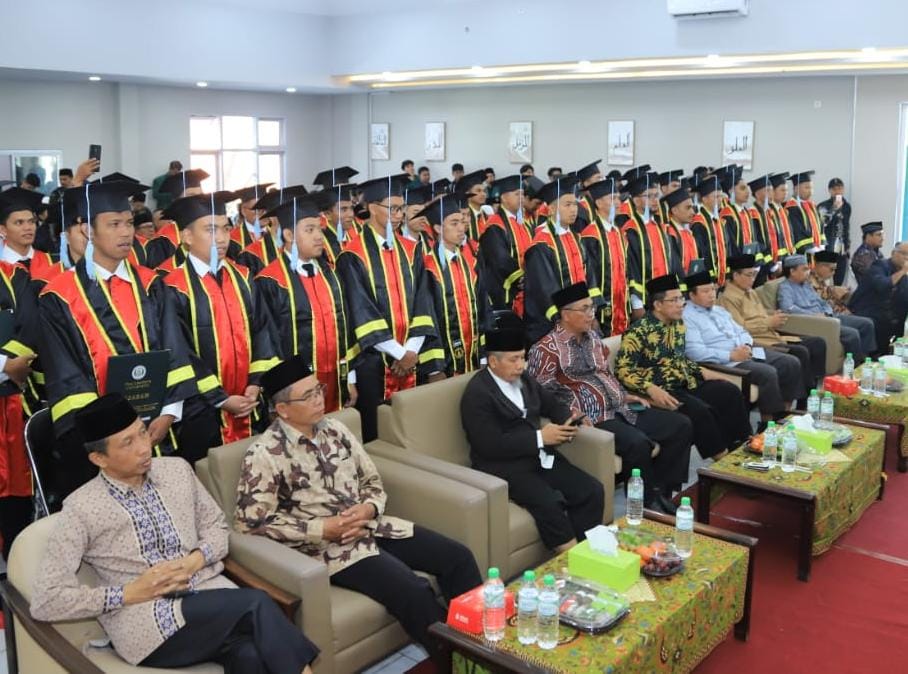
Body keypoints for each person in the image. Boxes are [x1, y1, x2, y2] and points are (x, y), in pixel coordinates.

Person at [31, 393, 318, 673]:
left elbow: (217, 527)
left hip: (208, 596)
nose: (144, 448)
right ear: (99, 459)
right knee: (256, 602)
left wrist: (195, 559)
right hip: (149, 623)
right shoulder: (81, 508)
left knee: (250, 655)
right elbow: (47, 601)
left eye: (142, 433)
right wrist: (127, 593)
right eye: (127, 443)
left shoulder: (177, 470)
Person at [235, 357, 481, 665]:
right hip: (332, 549)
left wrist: (369, 507)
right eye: (308, 396)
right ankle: (462, 666)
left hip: (374, 526)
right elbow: (250, 524)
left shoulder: (336, 429)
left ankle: (486, 649)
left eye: (318, 390)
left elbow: (371, 480)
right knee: (414, 593)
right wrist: (321, 529)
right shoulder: (263, 454)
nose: (318, 400)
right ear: (282, 409)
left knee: (457, 557)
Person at [38, 181, 198, 500]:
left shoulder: (153, 284)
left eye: (128, 222)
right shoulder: (58, 296)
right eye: (114, 224)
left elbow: (175, 352)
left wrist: (168, 413)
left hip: (159, 428)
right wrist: (116, 436)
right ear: (87, 230)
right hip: (101, 443)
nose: (127, 233)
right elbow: (66, 378)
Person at [528, 282, 691, 514]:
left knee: (680, 425)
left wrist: (625, 396)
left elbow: (604, 374)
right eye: (584, 309)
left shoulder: (593, 338)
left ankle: (660, 492)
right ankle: (644, 505)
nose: (591, 314)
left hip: (620, 408)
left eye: (591, 308)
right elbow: (542, 393)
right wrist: (571, 412)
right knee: (637, 443)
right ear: (565, 314)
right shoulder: (545, 349)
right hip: (593, 417)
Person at [461, 325, 605, 553]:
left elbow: (551, 404)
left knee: (591, 490)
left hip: (538, 456)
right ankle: (571, 563)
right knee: (549, 504)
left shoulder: (525, 379)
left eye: (522, 357)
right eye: (513, 359)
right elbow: (489, 445)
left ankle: (589, 551)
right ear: (493, 361)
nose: (520, 365)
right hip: (503, 466)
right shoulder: (477, 393)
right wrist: (539, 437)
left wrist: (569, 417)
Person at [163, 193, 278, 464]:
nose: (222, 238)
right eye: (210, 229)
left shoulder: (245, 277)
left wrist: (255, 384)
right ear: (187, 237)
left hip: (251, 405)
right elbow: (180, 351)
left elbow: (262, 332)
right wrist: (221, 399)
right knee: (209, 480)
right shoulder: (172, 286)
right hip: (201, 410)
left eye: (226, 228)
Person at [335, 176, 441, 441]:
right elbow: (360, 310)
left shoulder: (412, 249)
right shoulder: (352, 255)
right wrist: (398, 352)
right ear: (372, 208)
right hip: (373, 361)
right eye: (392, 208)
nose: (399, 215)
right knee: (377, 431)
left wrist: (412, 351)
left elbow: (423, 299)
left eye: (401, 209)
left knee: (412, 427)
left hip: (411, 356)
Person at [616, 274, 752, 459]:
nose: (682, 304)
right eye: (675, 300)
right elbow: (623, 371)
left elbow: (679, 359)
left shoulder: (677, 324)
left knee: (728, 391)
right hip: (661, 389)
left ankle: (744, 445)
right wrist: (650, 388)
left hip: (685, 381)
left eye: (681, 298)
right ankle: (723, 461)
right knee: (700, 412)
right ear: (658, 305)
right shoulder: (637, 332)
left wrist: (704, 372)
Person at [255, 195, 359, 413]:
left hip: (335, 383)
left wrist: (349, 378)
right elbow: (268, 344)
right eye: (310, 230)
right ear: (289, 234)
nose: (319, 236)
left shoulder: (330, 274)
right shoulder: (270, 281)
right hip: (295, 394)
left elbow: (345, 330)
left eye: (320, 229)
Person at [683, 270, 803, 423]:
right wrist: (731, 355)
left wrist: (746, 345)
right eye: (705, 291)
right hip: (726, 361)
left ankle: (785, 413)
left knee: (790, 362)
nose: (711, 294)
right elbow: (695, 352)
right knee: (768, 373)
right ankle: (768, 423)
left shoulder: (719, 311)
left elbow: (742, 331)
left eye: (713, 289)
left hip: (746, 351)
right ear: (692, 295)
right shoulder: (687, 317)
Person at [719, 254, 827, 394]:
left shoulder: (751, 292)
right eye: (749, 275)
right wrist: (768, 322)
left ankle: (814, 388)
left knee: (817, 342)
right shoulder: (728, 298)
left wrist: (773, 318)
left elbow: (763, 315)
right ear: (735, 275)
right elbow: (739, 328)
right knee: (800, 352)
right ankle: (803, 399)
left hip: (772, 334)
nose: (753, 279)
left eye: (754, 275)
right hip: (759, 340)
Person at [523, 176, 603, 343]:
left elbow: (590, 279)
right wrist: (567, 322)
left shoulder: (577, 239)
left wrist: (591, 313)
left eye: (575, 204)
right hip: (553, 325)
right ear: (551, 210)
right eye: (567, 205)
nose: (574, 209)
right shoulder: (541, 245)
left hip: (580, 319)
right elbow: (545, 290)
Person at [419, 195, 488, 377]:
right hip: (444, 362)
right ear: (438, 228)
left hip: (473, 356)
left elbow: (483, 309)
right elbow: (427, 318)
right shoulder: (427, 268)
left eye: (461, 222)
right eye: (454, 223)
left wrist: (483, 356)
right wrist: (434, 367)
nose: (461, 228)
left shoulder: (470, 263)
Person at [778, 254, 877, 360]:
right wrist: (814, 315)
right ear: (792, 271)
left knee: (867, 324)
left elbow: (822, 302)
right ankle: (857, 365)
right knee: (852, 334)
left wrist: (827, 312)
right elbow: (788, 308)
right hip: (816, 322)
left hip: (828, 316)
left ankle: (867, 358)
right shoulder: (785, 288)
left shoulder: (806, 285)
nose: (808, 272)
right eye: (804, 269)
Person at [580, 177, 631, 336]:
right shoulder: (590, 235)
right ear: (599, 203)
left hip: (621, 304)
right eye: (612, 198)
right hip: (602, 308)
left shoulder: (618, 232)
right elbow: (589, 276)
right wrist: (593, 311)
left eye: (618, 198)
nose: (618, 202)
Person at [479, 174, 535, 314]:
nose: (521, 197)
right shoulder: (494, 225)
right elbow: (500, 259)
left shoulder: (525, 224)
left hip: (528, 289)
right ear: (504, 198)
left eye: (522, 194)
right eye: (517, 194)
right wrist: (520, 277)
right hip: (506, 291)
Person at [620, 172, 673, 319]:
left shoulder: (659, 226)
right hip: (644, 301)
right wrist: (636, 304)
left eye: (657, 195)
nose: (655, 200)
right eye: (648, 196)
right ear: (636, 201)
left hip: (664, 299)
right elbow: (631, 269)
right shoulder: (630, 230)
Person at [145, 169, 209, 269]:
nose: (197, 201)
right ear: (176, 202)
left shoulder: (209, 235)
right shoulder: (162, 243)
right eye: (191, 196)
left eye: (200, 196)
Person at [849, 242, 908, 349]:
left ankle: (894, 352)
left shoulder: (903, 273)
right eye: (905, 254)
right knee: (884, 320)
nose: (907, 258)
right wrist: (903, 271)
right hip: (868, 309)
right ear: (893, 253)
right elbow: (883, 285)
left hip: (891, 313)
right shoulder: (879, 265)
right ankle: (875, 356)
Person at [0, 186, 63, 284]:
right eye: (19, 222)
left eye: (31, 221)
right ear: (3, 230)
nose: (28, 227)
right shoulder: (2, 267)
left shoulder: (53, 264)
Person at [690, 175, 730, 286]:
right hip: (708, 281)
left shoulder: (719, 221)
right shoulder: (699, 223)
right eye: (716, 197)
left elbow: (726, 249)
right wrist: (710, 280)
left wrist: (726, 275)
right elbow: (701, 254)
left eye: (720, 196)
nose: (720, 200)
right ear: (704, 199)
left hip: (722, 278)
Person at [226, 182, 275, 258]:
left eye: (266, 208)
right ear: (243, 211)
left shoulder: (276, 234)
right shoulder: (232, 240)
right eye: (257, 210)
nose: (264, 213)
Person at [817, 177, 851, 284]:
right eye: (834, 189)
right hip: (827, 248)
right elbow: (822, 224)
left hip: (841, 249)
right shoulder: (823, 206)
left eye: (840, 188)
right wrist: (834, 209)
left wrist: (847, 246)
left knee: (839, 280)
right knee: (824, 280)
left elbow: (846, 227)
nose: (837, 191)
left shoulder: (846, 206)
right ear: (830, 191)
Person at [661, 187, 699, 277]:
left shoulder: (688, 233)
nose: (693, 212)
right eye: (688, 208)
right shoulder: (668, 233)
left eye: (692, 207)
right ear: (674, 210)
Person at [810, 250, 851, 315]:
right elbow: (816, 299)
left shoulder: (821, 281)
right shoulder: (809, 280)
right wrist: (832, 291)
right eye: (832, 269)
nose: (834, 273)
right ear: (820, 266)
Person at [457, 169, 490, 242]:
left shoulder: (486, 215)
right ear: (467, 194)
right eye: (478, 191)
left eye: (484, 191)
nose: (483, 194)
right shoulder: (462, 217)